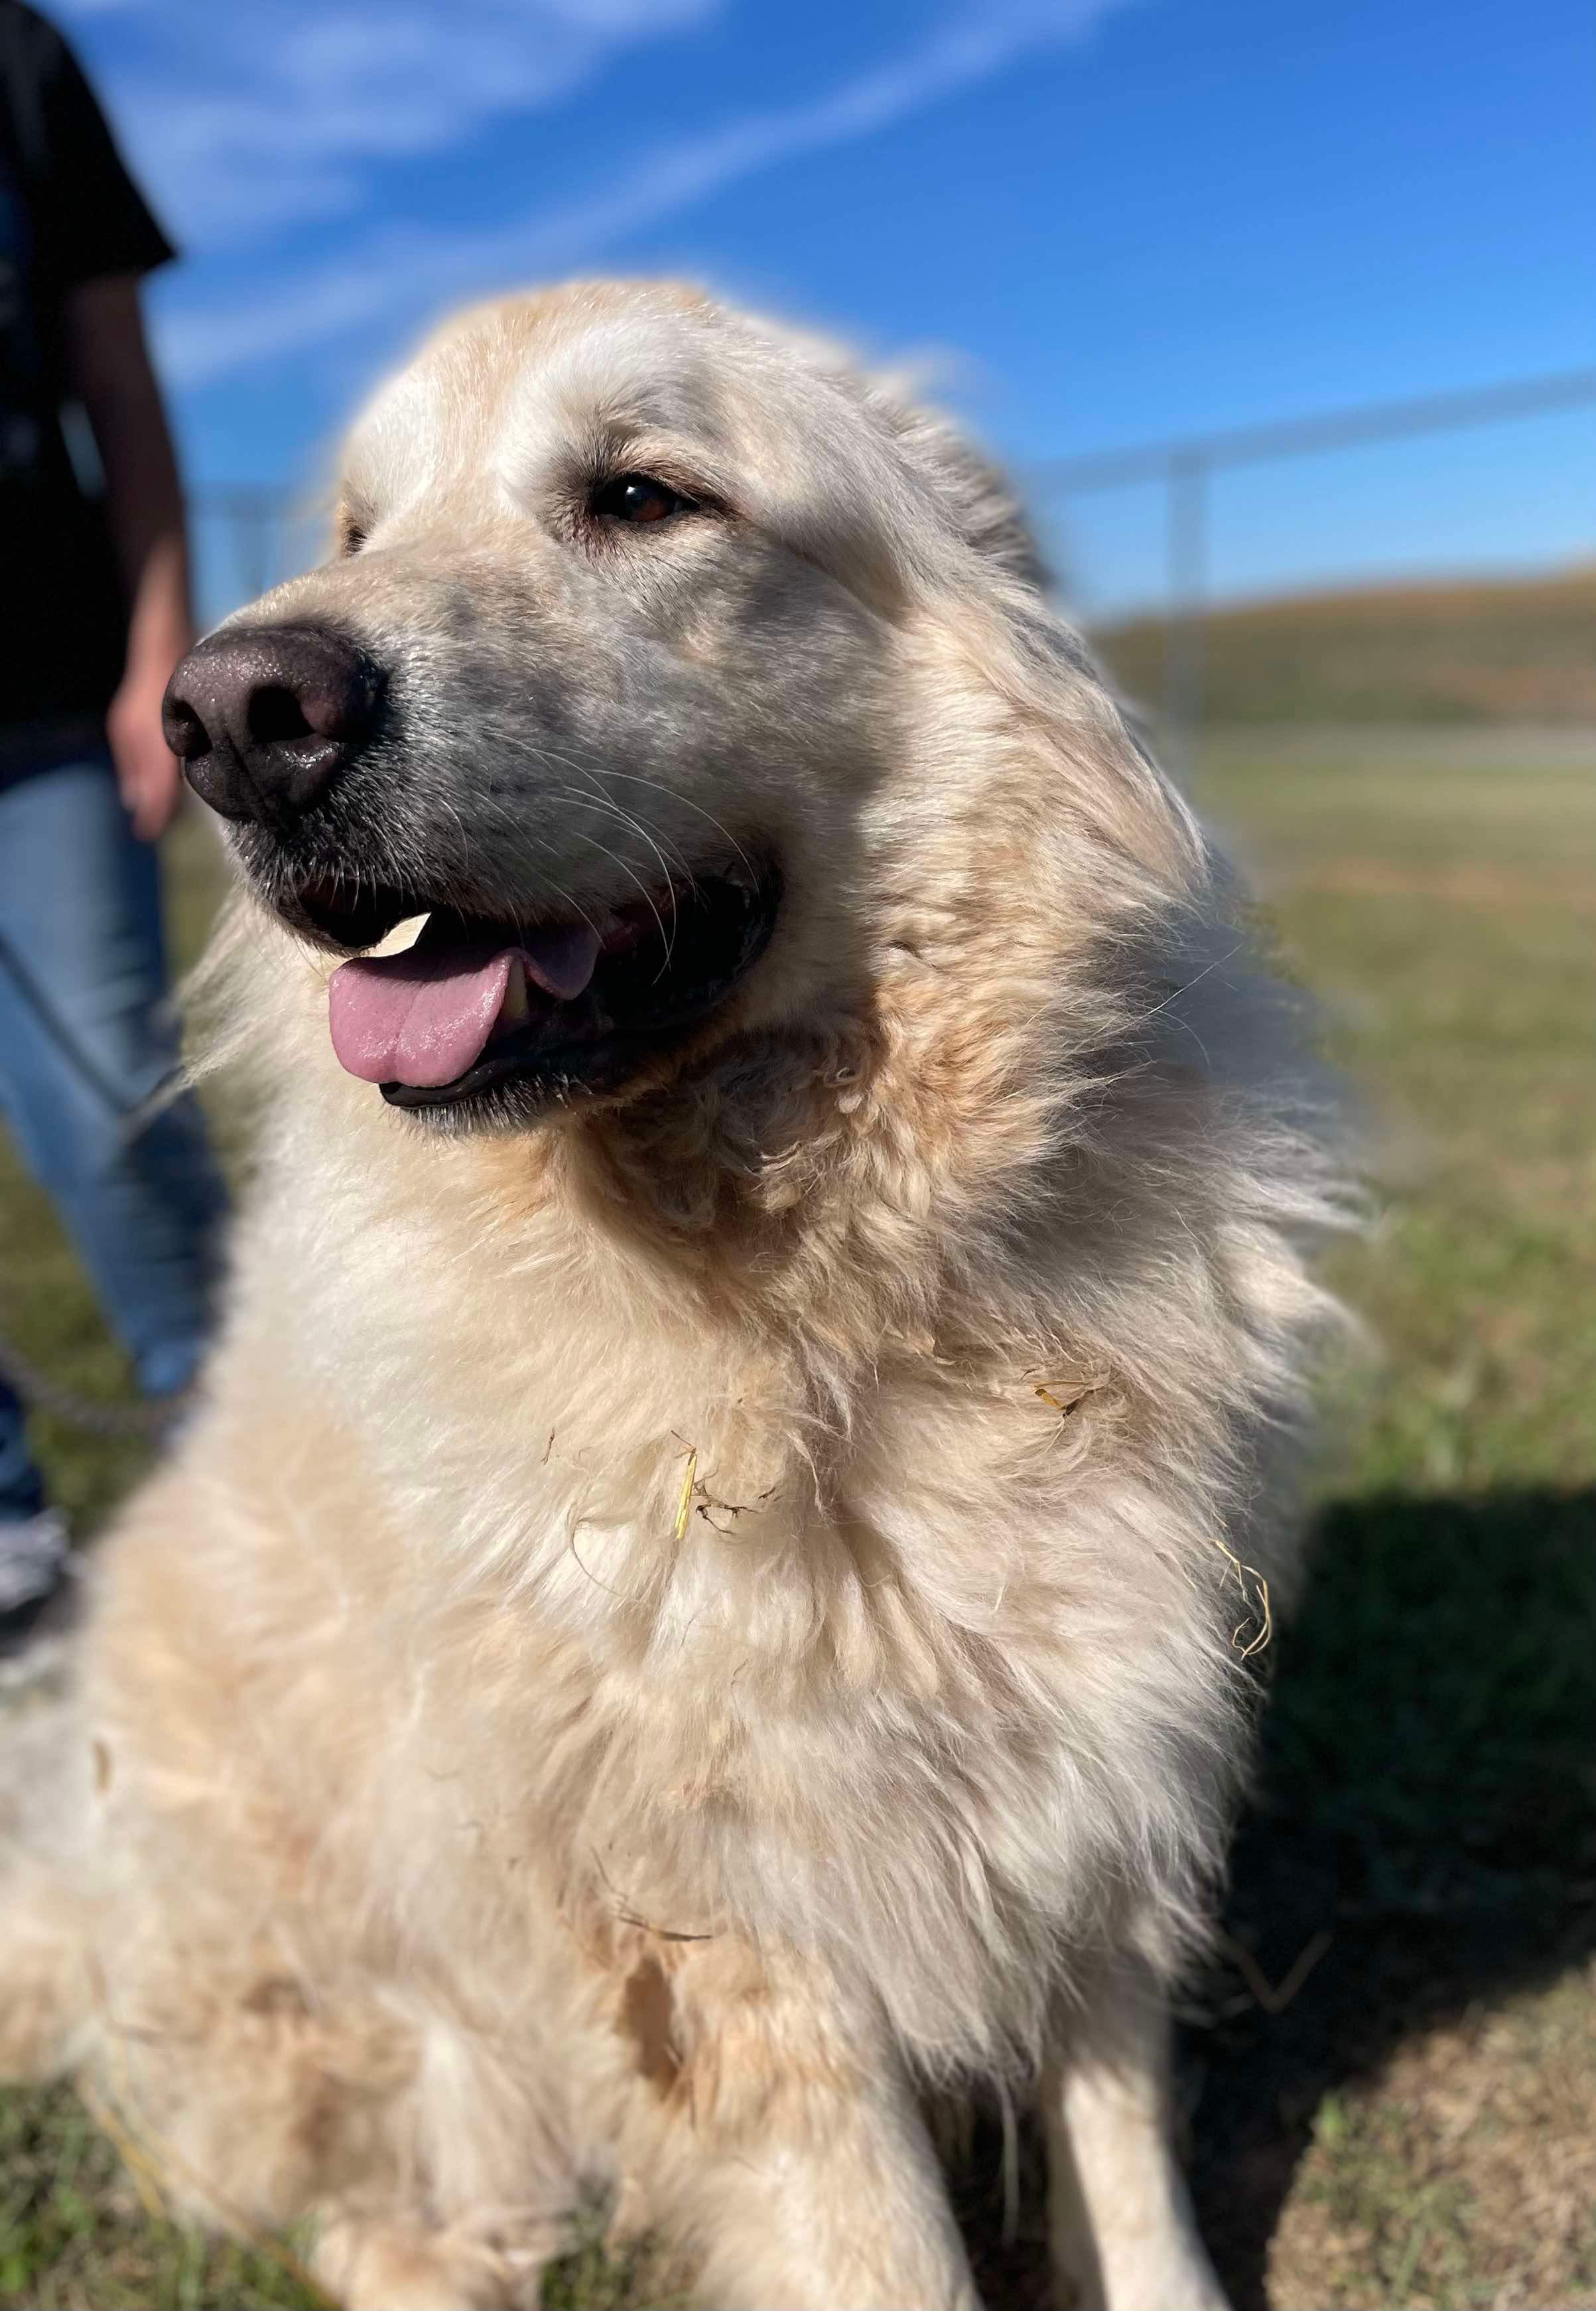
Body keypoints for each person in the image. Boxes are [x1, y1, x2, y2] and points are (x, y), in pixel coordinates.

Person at [0, 0, 226, 1661]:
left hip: (58, 706)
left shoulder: (20, 55)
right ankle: (12, 1542)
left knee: (112, 1112)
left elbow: (119, 389)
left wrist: (163, 658)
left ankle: (256, 1475)